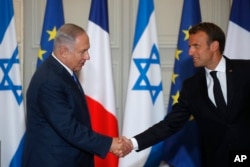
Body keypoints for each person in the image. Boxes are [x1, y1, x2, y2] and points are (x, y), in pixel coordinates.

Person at [122, 22, 250, 167]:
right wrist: (132, 143)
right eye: (190, 47)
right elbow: (170, 124)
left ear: (214, 46)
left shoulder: (245, 71)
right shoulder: (191, 86)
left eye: (196, 46)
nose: (190, 52)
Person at [22, 23, 131, 167]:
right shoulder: (49, 81)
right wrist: (110, 144)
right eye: (83, 51)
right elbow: (69, 128)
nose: (88, 56)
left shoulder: (64, 72)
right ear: (63, 52)